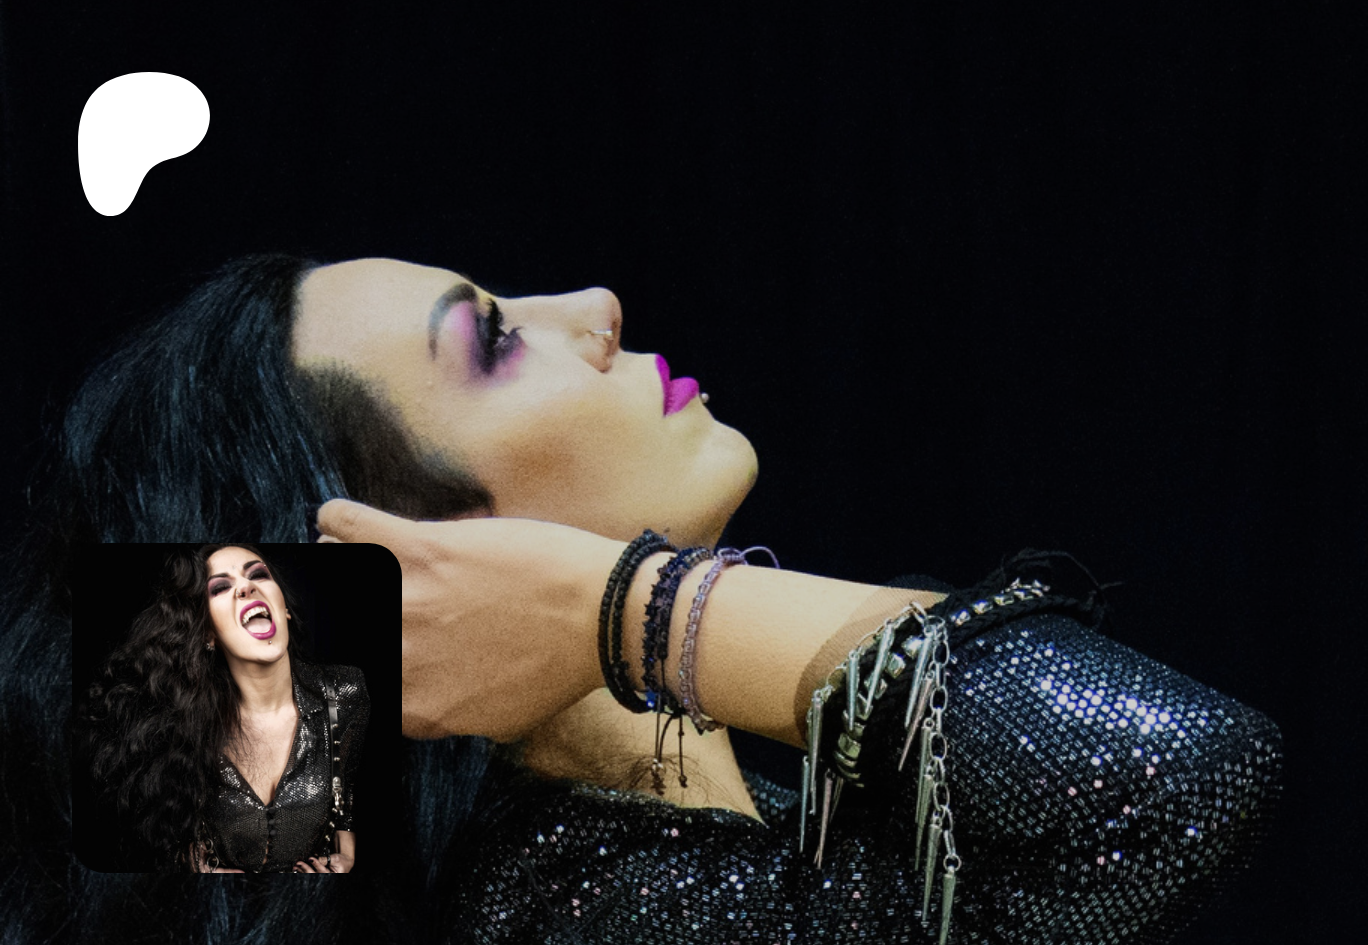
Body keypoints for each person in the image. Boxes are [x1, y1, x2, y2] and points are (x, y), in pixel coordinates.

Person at [0, 254, 1281, 943]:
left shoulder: (718, 807)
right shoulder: (569, 908)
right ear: (423, 555)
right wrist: (632, 610)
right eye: (495, 342)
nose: (595, 307)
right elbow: (1164, 779)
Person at [76, 544, 368, 874]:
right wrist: (190, 865)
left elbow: (347, 788)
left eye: (257, 574)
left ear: (284, 608)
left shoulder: (345, 692)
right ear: (208, 634)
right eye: (220, 587)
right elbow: (151, 834)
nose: (246, 586)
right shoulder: (182, 722)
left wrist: (348, 857)